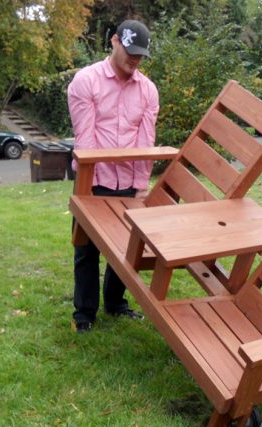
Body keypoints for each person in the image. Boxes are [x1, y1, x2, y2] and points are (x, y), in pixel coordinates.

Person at [67, 19, 159, 333]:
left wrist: (140, 188)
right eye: (130, 51)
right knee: (86, 249)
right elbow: (86, 139)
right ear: (115, 41)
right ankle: (85, 313)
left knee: (125, 248)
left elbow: (146, 142)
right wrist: (87, 189)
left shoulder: (148, 90)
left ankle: (116, 304)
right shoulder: (86, 81)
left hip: (128, 182)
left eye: (140, 55)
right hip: (93, 179)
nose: (134, 59)